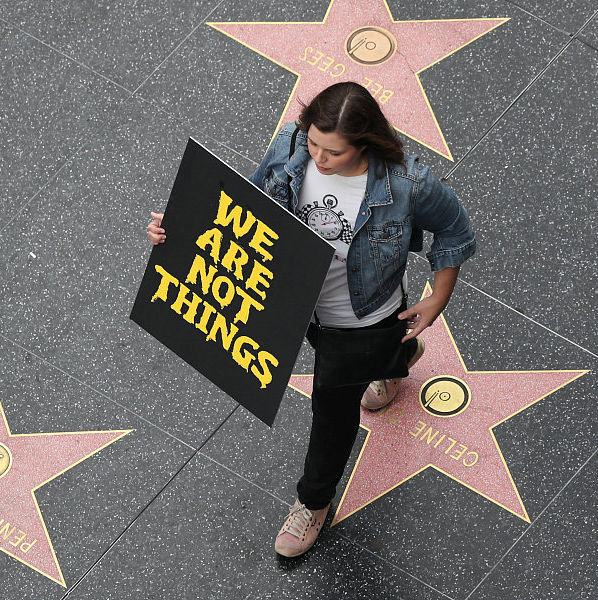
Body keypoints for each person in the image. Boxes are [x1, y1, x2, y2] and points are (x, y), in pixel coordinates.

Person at [146, 82, 475, 557]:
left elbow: (454, 227)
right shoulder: (290, 144)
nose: (319, 158)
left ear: (365, 143)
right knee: (368, 356)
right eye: (314, 142)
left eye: (334, 152)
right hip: (293, 304)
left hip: (361, 316)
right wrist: (174, 229)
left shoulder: (407, 183)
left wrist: (438, 298)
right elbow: (243, 208)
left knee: (332, 410)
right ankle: (396, 355)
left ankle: (313, 503)